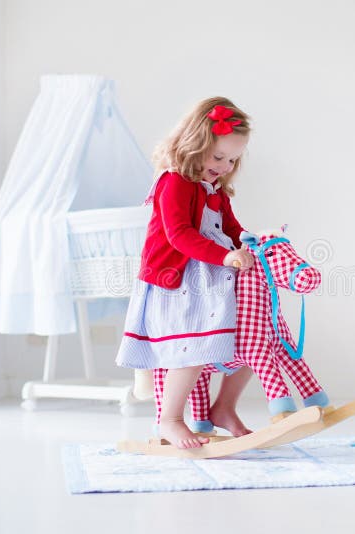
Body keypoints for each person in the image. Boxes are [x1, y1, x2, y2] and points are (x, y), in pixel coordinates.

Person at [116, 97, 255, 449]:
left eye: (233, 159)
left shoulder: (215, 190)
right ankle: (171, 420)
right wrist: (225, 258)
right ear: (194, 146)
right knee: (191, 351)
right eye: (218, 157)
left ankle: (224, 407)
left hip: (209, 284)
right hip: (175, 283)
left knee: (253, 341)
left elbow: (233, 228)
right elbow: (180, 235)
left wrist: (254, 245)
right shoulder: (174, 181)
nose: (225, 166)